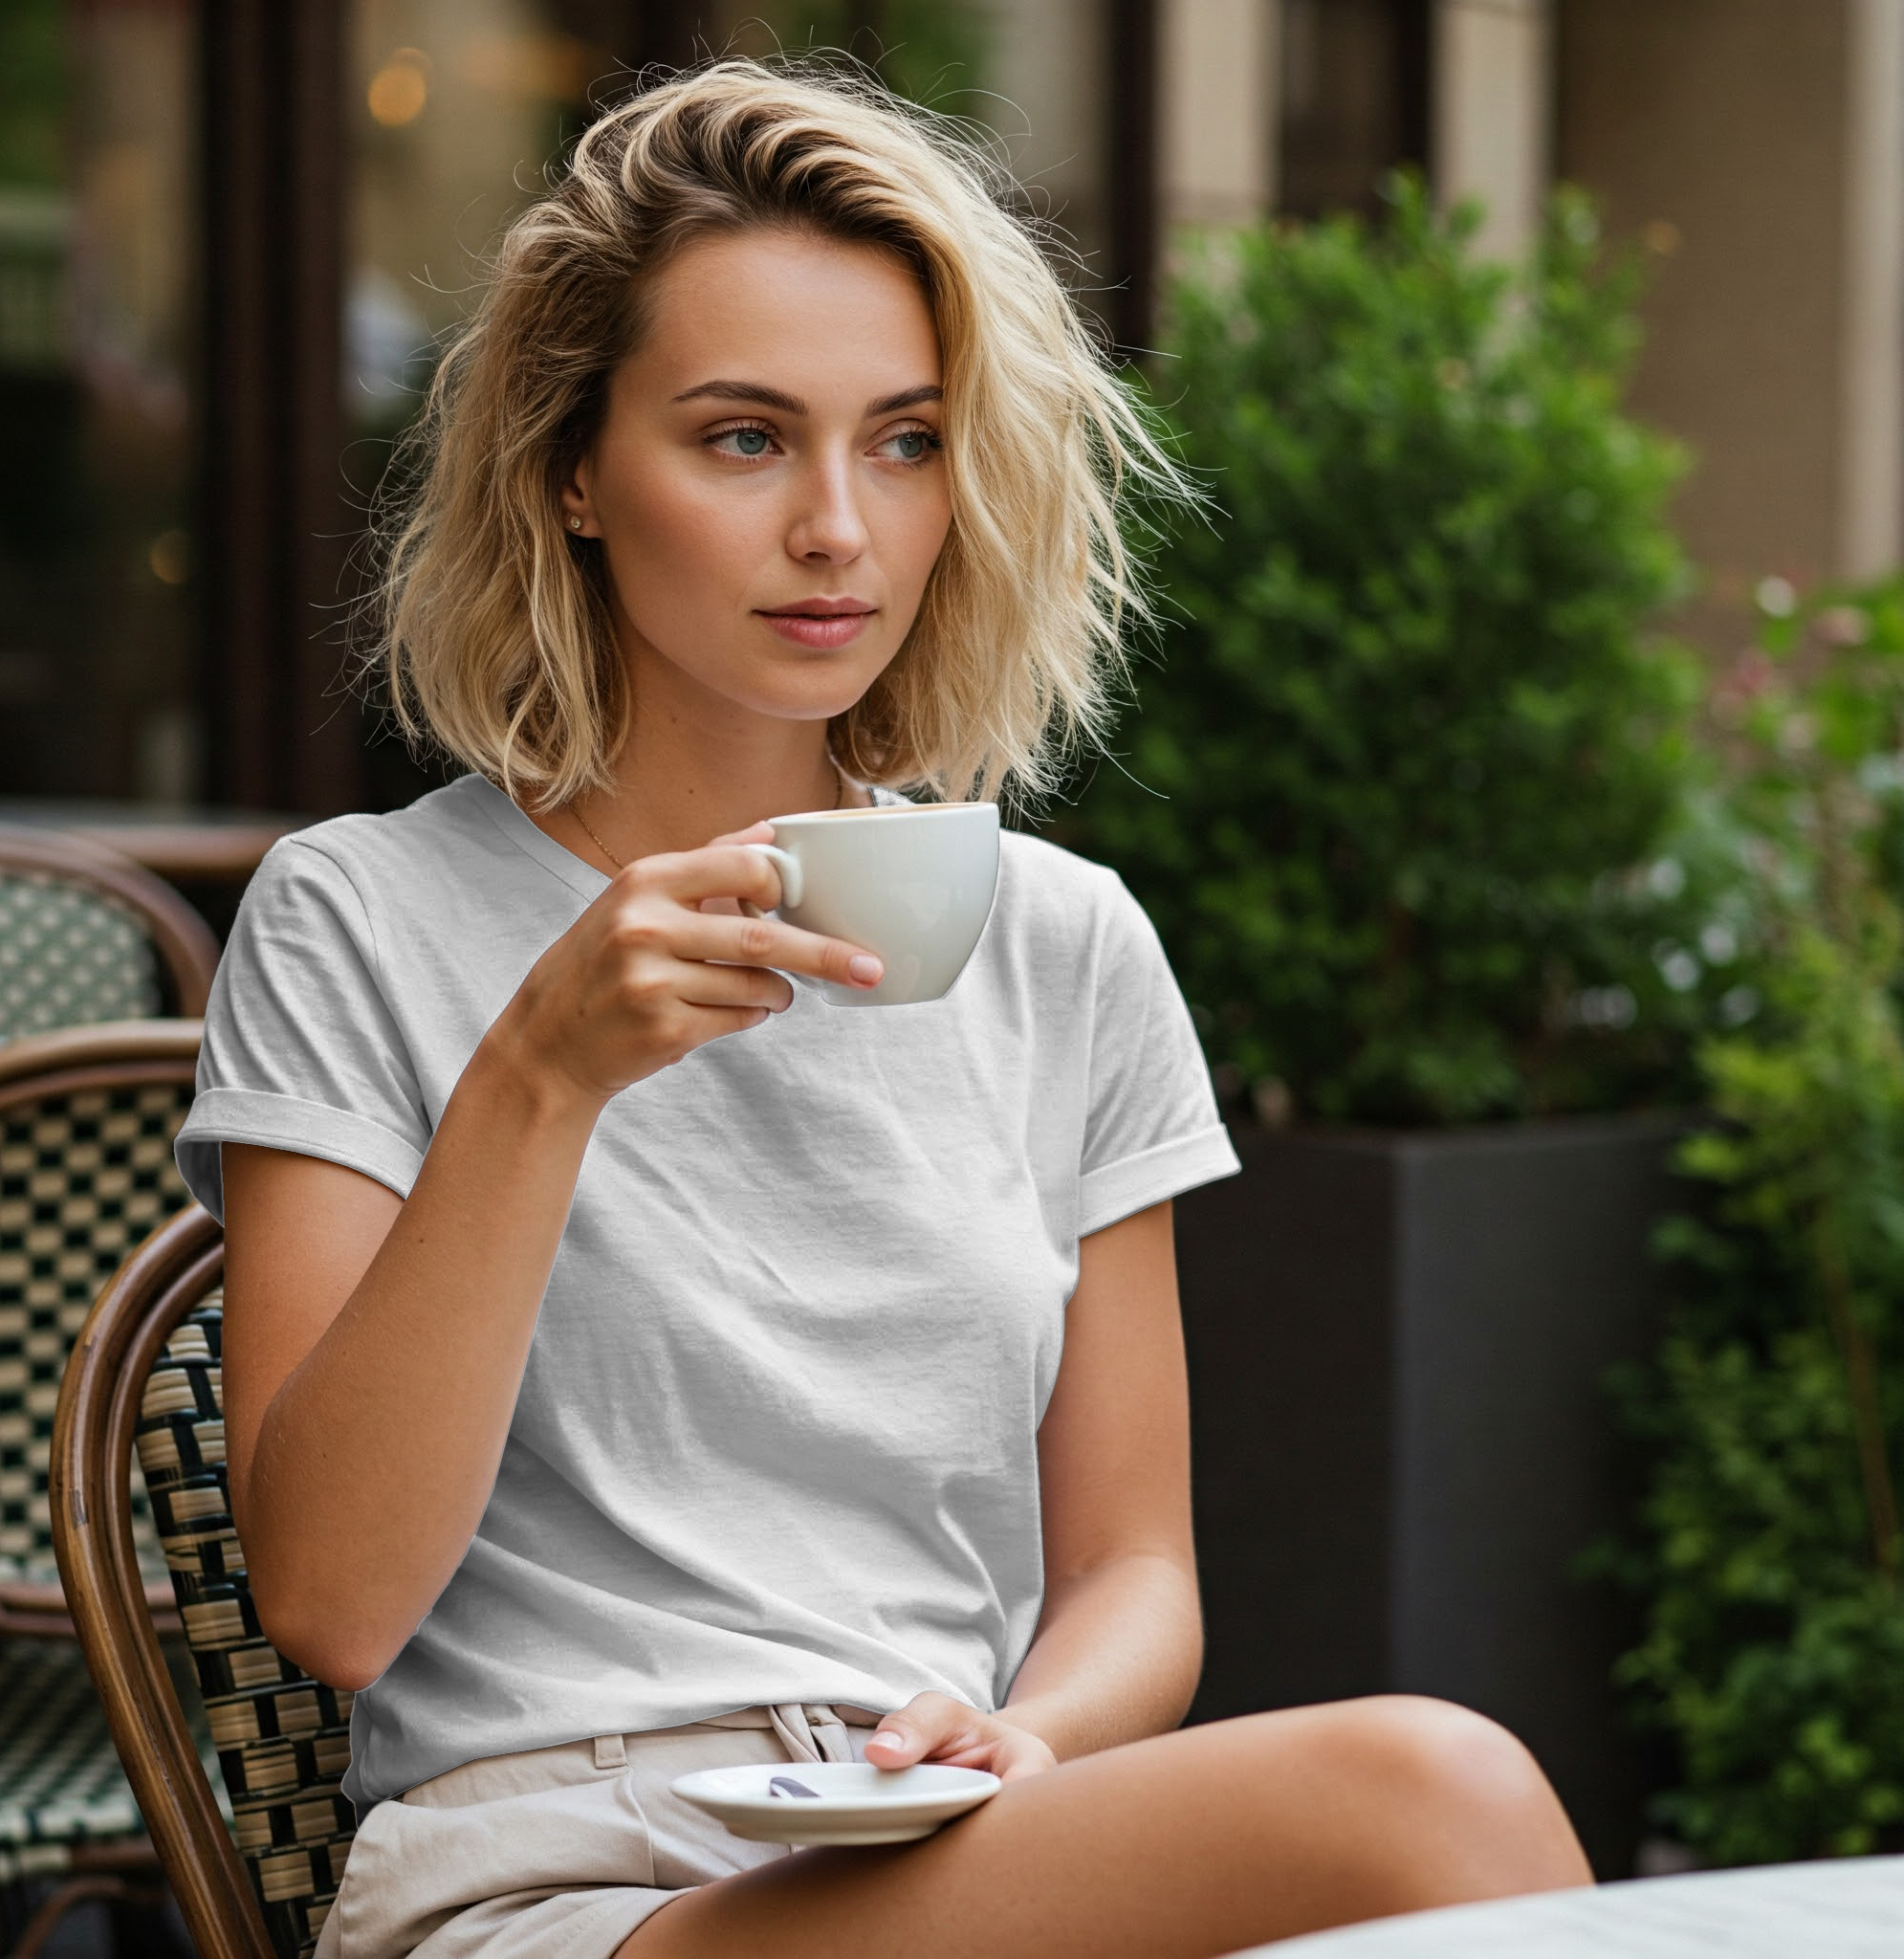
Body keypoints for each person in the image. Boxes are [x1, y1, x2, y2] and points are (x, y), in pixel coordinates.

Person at [173, 56, 1593, 1959]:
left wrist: (1031, 1733)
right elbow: (331, 1604)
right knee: (1432, 1797)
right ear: (573, 471)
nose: (838, 525)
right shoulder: (363, 921)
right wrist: (544, 1073)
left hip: (933, 1836)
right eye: (744, 437)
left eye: (906, 440)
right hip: (558, 1871)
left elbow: (1135, 1571)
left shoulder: (1064, 950)